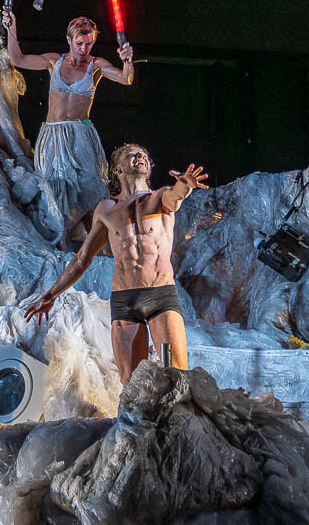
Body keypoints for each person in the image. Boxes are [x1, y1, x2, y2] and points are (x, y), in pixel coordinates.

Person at [24, 145, 208, 384]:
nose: (140, 156)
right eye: (131, 153)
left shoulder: (158, 199)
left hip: (160, 296)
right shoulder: (107, 210)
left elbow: (175, 197)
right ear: (118, 169)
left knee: (176, 377)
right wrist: (50, 295)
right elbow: (81, 259)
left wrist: (185, 186)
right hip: (124, 302)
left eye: (144, 154)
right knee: (131, 384)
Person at [4, 9, 135, 245]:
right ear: (69, 40)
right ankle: (61, 245)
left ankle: (100, 247)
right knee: (53, 191)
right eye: (79, 43)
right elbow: (18, 60)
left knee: (90, 189)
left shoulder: (95, 65)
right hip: (53, 135)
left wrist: (127, 60)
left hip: (80, 134)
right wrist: (11, 27)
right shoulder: (54, 61)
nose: (84, 49)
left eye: (89, 43)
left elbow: (125, 78)